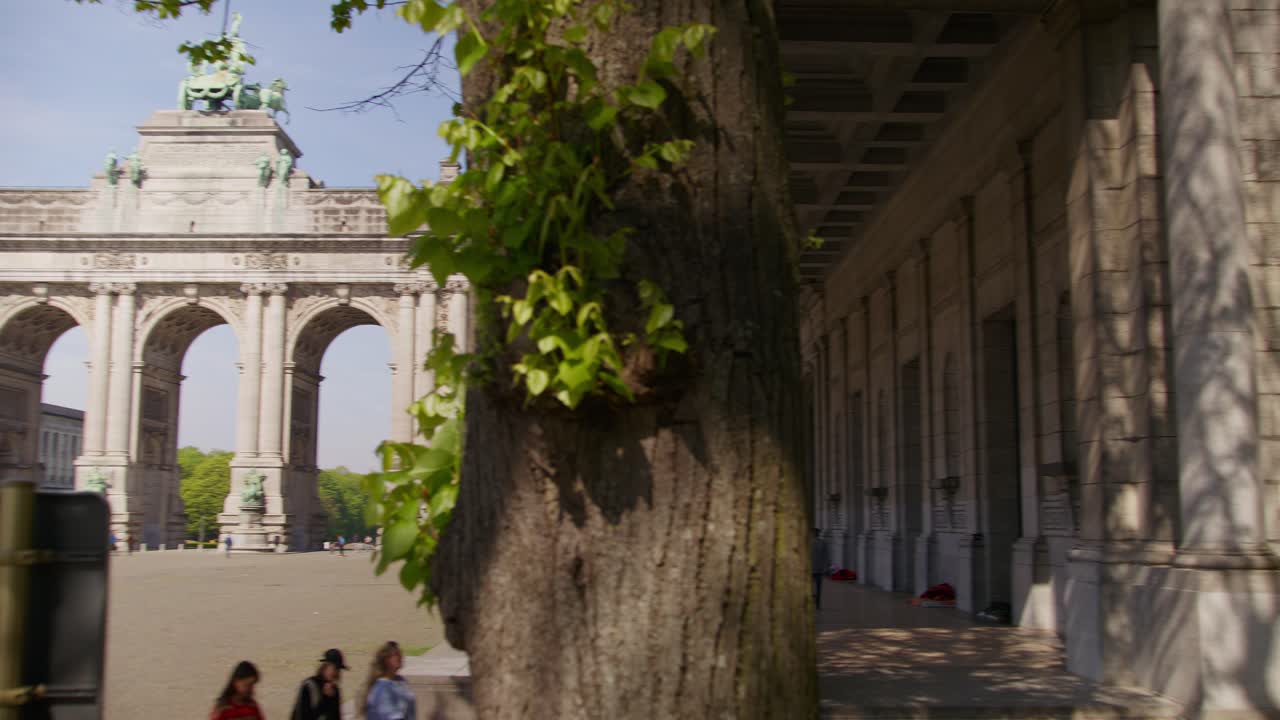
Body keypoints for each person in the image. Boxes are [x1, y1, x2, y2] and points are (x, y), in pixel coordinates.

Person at [363, 641, 415, 720]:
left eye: (400, 653)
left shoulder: (401, 681)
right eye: (396, 654)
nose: (400, 656)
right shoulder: (382, 689)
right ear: (386, 660)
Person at [291, 649, 347, 720]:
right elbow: (301, 716)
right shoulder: (309, 685)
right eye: (334, 668)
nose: (336, 672)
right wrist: (326, 700)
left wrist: (331, 699)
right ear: (324, 666)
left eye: (338, 669)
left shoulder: (335, 690)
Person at [811, 528, 829, 610]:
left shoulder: (822, 543)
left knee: (816, 587)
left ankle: (816, 603)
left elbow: (825, 556)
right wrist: (825, 568)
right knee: (817, 587)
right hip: (817, 569)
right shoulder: (823, 543)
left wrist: (825, 567)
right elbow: (826, 557)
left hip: (816, 569)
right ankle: (816, 603)